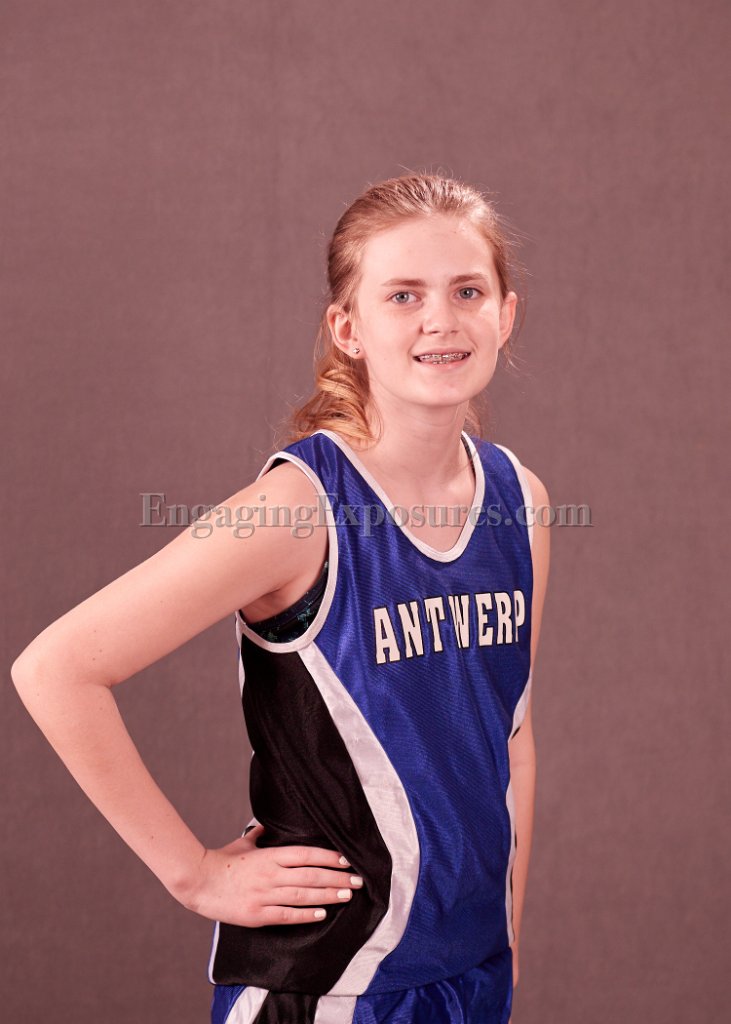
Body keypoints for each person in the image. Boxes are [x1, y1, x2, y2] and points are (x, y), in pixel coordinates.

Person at [11, 172, 551, 1024]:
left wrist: (503, 940)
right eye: (403, 295)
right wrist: (194, 874)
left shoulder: (518, 500)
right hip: (328, 984)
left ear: (505, 314)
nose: (440, 320)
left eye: (467, 291)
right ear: (348, 328)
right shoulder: (299, 511)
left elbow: (509, 734)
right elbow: (56, 669)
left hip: (470, 975)